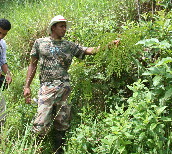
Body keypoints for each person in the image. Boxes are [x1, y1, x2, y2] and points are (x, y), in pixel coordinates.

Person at [23, 15, 119, 153]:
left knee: (62, 123)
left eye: (65, 26)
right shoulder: (40, 43)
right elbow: (32, 65)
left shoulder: (68, 45)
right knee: (41, 123)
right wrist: (27, 86)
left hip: (64, 87)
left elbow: (88, 50)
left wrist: (108, 45)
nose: (64, 29)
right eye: (61, 26)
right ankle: (36, 149)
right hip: (47, 87)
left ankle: (58, 150)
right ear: (53, 27)